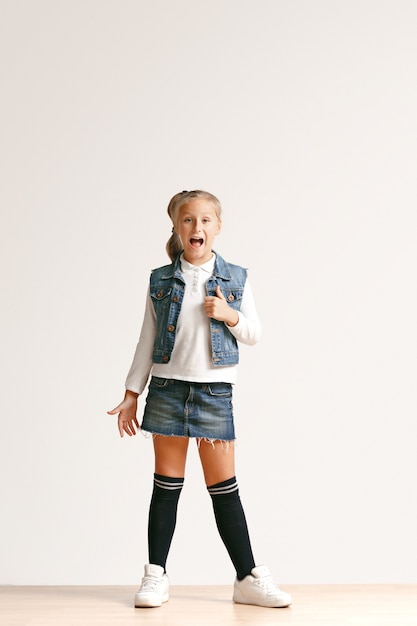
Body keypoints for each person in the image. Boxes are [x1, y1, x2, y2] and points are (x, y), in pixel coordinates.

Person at [108, 190, 291, 609]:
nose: (197, 228)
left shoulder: (236, 279)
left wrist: (229, 315)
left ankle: (247, 578)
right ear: (176, 227)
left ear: (218, 227)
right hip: (168, 390)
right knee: (166, 487)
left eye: (206, 220)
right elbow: (147, 339)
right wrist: (131, 393)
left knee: (224, 488)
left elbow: (254, 333)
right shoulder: (160, 280)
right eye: (188, 221)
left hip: (214, 393)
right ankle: (155, 575)